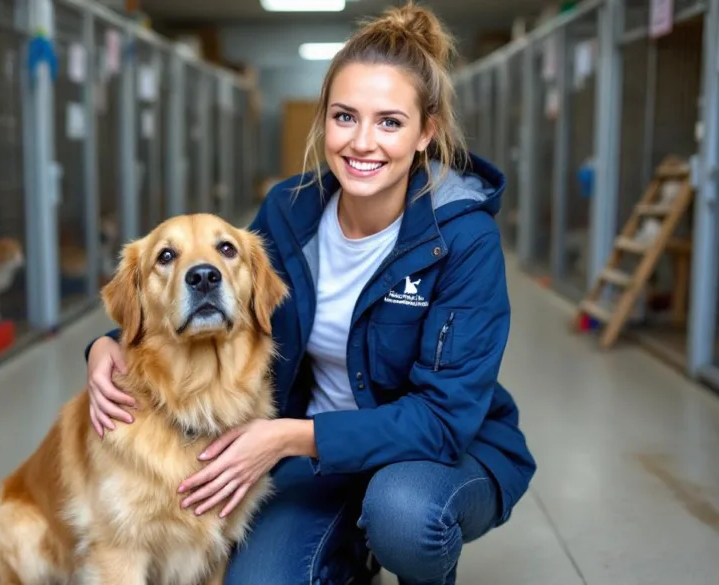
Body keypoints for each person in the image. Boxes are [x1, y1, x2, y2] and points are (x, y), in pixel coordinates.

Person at [83, 3, 536, 583]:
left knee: (404, 515)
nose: (362, 143)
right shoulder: (289, 210)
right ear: (324, 120)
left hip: (436, 458)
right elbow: (220, 300)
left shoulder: (465, 237)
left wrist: (287, 438)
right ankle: (347, 554)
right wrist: (110, 343)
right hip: (314, 454)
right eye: (345, 117)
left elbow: (444, 421)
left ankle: (400, 552)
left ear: (428, 132)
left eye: (390, 122)